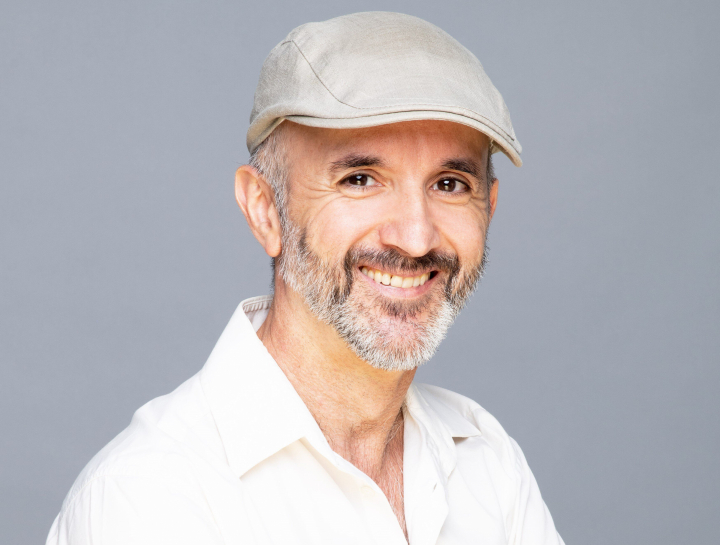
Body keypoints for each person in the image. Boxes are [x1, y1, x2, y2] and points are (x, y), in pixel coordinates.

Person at [47, 12, 564, 545]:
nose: (416, 238)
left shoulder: (487, 462)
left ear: (489, 208)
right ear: (265, 209)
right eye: (360, 180)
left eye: (450, 184)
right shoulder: (151, 497)